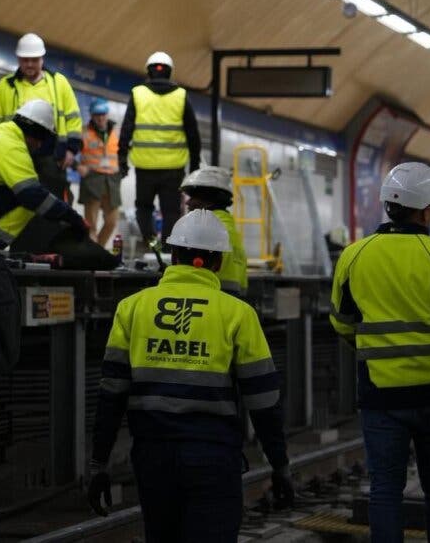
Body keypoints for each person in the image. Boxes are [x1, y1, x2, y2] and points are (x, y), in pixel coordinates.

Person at [88, 209, 294, 541]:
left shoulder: (132, 308)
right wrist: (280, 465)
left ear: (175, 255)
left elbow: (111, 394)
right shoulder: (238, 314)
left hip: (151, 455)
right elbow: (264, 402)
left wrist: (99, 464)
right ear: (217, 262)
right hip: (213, 456)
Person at [330, 163, 430, 543]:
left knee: (385, 490)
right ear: (425, 210)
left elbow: (342, 321)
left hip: (380, 396)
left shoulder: (355, 255)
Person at [0, 99, 113, 267]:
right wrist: (73, 218)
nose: (39, 145)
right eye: (41, 140)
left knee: (18, 191)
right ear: (37, 134)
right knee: (27, 201)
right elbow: (34, 195)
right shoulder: (14, 148)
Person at [118, 51, 201, 247]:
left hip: (145, 166)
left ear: (148, 71)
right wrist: (194, 168)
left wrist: (121, 159)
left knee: (144, 208)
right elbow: (193, 134)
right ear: (170, 72)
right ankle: (167, 248)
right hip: (173, 168)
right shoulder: (181, 96)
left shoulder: (138, 94)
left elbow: (126, 129)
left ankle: (151, 244)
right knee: (171, 210)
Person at [0, 33, 82, 199]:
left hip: (51, 157)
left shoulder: (59, 83)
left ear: (42, 59)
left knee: (52, 201)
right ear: (18, 59)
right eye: (25, 60)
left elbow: (73, 118)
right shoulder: (5, 86)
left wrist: (71, 149)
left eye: (34, 60)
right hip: (15, 155)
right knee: (16, 201)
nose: (29, 64)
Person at [181, 166, 246, 296]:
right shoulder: (229, 228)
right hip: (230, 300)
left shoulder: (206, 229)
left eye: (194, 197)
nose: (188, 202)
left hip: (209, 297)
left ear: (208, 200)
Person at [77, 97, 121, 247]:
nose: (101, 118)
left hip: (112, 181)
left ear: (107, 114)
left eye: (103, 114)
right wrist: (77, 166)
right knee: (91, 225)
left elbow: (122, 153)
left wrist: (123, 170)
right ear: (91, 115)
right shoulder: (84, 132)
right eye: (97, 115)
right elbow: (68, 153)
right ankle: (92, 254)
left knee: (112, 221)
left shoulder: (116, 132)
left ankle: (98, 250)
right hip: (92, 180)